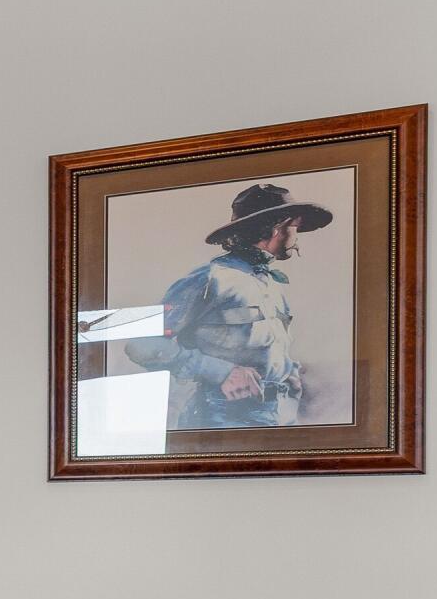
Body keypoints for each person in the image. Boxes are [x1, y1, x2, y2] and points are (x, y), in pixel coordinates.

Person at [125, 181, 330, 429]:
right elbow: (141, 343)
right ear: (277, 227)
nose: (296, 237)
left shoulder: (270, 284)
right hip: (220, 421)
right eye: (294, 227)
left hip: (278, 420)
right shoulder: (211, 279)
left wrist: (289, 373)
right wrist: (220, 372)